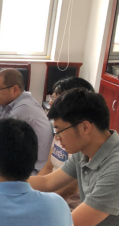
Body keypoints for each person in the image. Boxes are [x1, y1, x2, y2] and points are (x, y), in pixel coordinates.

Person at [28, 88, 119, 226]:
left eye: (59, 130)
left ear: (85, 127)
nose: (57, 138)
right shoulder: (85, 151)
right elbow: (48, 182)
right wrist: (2, 180)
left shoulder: (116, 167)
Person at [0, 69, 53, 187]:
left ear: (15, 89)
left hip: (31, 173)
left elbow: (3, 144)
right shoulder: (1, 101)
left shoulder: (25, 108)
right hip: (14, 165)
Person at [37, 77, 95, 210]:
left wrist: (38, 201)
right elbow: (48, 170)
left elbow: (70, 189)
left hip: (68, 207)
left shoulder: (81, 142)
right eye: (52, 97)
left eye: (56, 98)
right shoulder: (62, 131)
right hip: (50, 197)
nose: (50, 102)